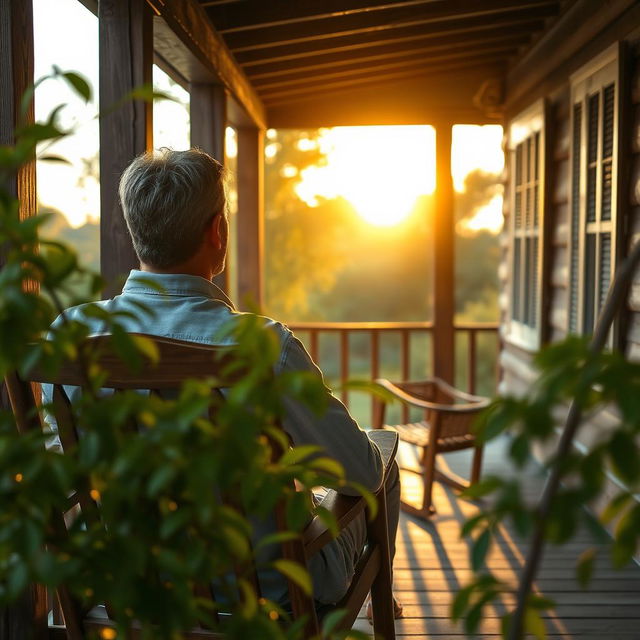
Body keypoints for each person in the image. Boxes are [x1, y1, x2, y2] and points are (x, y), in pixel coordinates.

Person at [45, 148, 401, 614]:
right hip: (267, 594)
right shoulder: (262, 346)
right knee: (382, 456)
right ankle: (381, 605)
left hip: (125, 589)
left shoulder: (71, 334)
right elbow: (361, 472)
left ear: (135, 234)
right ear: (218, 231)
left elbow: (55, 469)